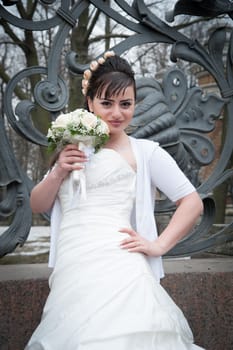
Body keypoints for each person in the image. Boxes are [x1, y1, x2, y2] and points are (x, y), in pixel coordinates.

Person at [25, 51, 204, 350]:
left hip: (119, 261)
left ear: (135, 103)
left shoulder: (145, 152)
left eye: (126, 104)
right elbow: (37, 204)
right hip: (74, 267)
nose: (117, 113)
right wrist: (58, 170)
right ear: (90, 102)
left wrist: (158, 245)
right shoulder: (72, 147)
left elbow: (192, 201)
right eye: (107, 103)